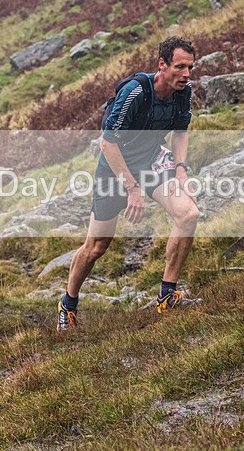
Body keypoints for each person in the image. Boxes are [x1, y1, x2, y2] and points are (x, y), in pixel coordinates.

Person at [57, 36, 200, 331]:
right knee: (97, 246)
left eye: (190, 67)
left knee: (189, 215)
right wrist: (132, 188)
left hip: (149, 161)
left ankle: (167, 295)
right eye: (180, 67)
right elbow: (107, 145)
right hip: (115, 168)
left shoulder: (182, 91)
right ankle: (68, 304)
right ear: (162, 65)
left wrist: (182, 171)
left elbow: (180, 132)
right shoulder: (135, 93)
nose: (186, 74)